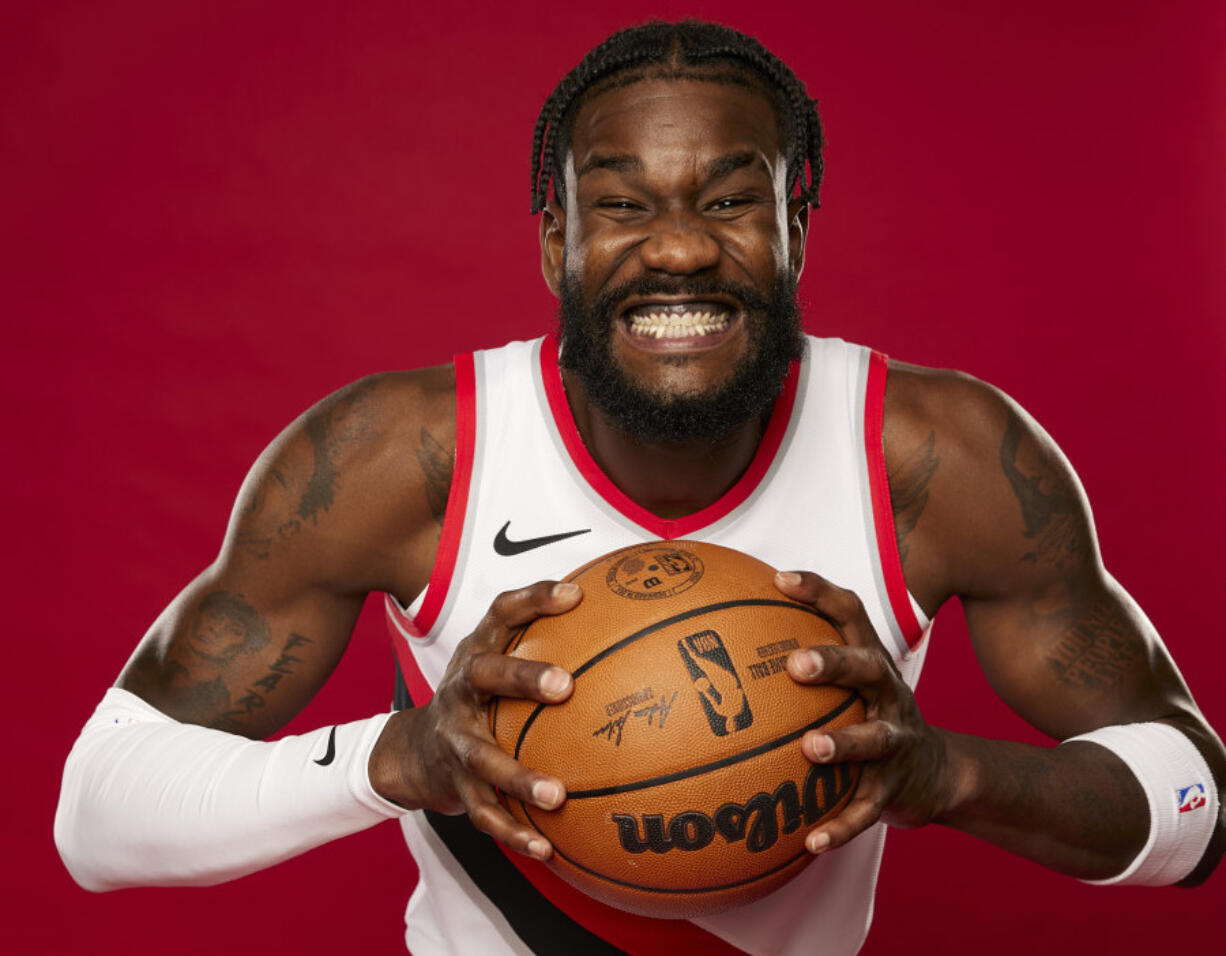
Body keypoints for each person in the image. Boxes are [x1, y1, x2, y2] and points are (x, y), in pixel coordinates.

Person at [54, 19, 1223, 956]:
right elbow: (99, 813)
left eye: (727, 200)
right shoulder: (398, 458)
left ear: (795, 231)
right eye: (619, 204)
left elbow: (1197, 805)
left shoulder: (937, 457)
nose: (675, 249)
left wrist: (946, 771)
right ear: (553, 239)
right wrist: (402, 755)